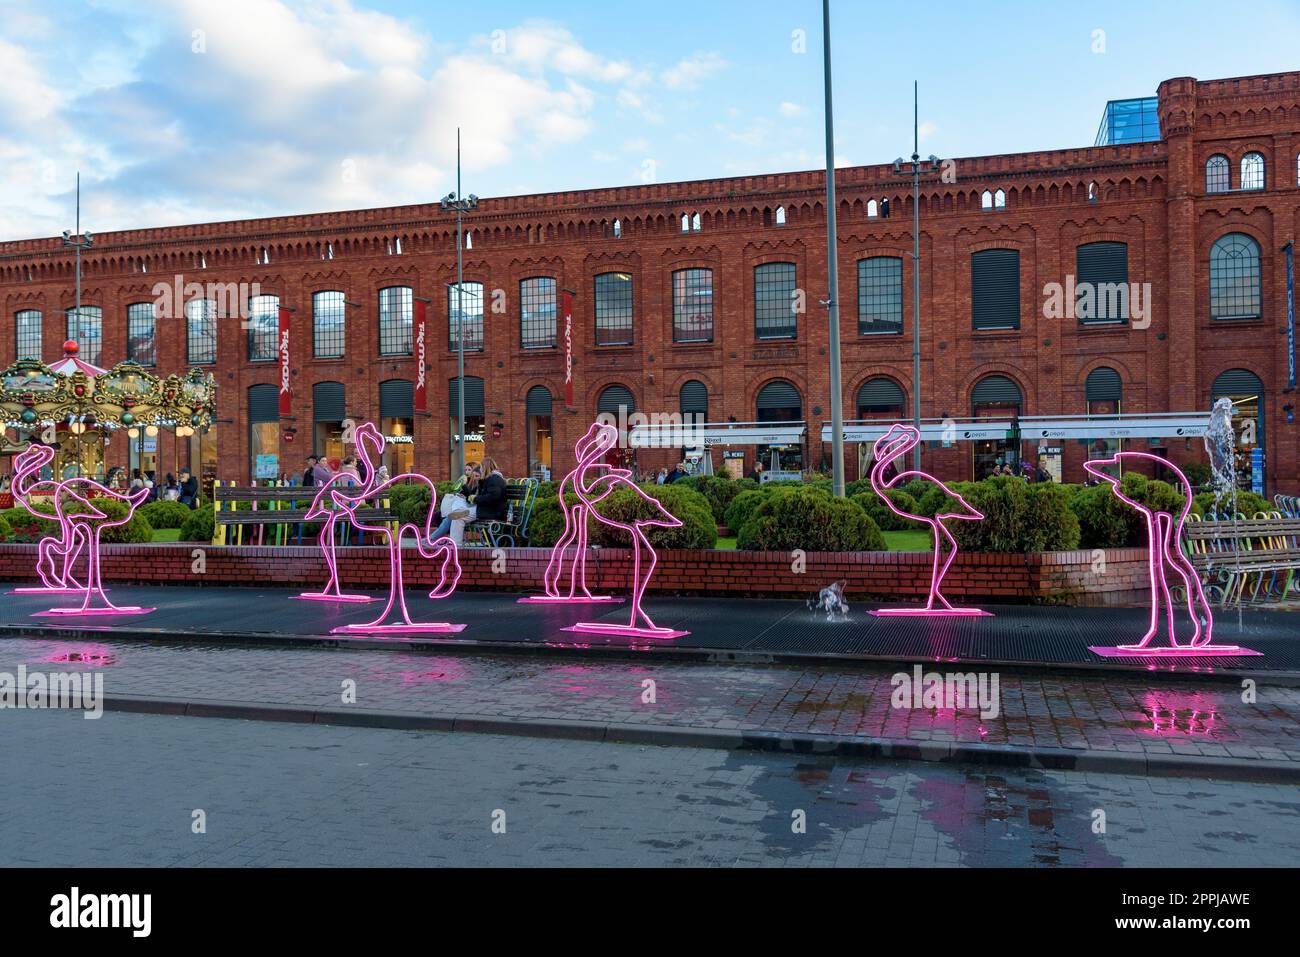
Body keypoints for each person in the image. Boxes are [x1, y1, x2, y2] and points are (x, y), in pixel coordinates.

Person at [432, 458, 504, 544]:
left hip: (489, 511)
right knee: (455, 515)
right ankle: (453, 543)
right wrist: (474, 496)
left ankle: (455, 545)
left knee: (458, 517)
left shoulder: (495, 479)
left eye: (481, 467)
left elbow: (493, 496)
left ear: (485, 467)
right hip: (483, 509)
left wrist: (475, 498)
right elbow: (487, 496)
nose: (480, 470)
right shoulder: (491, 479)